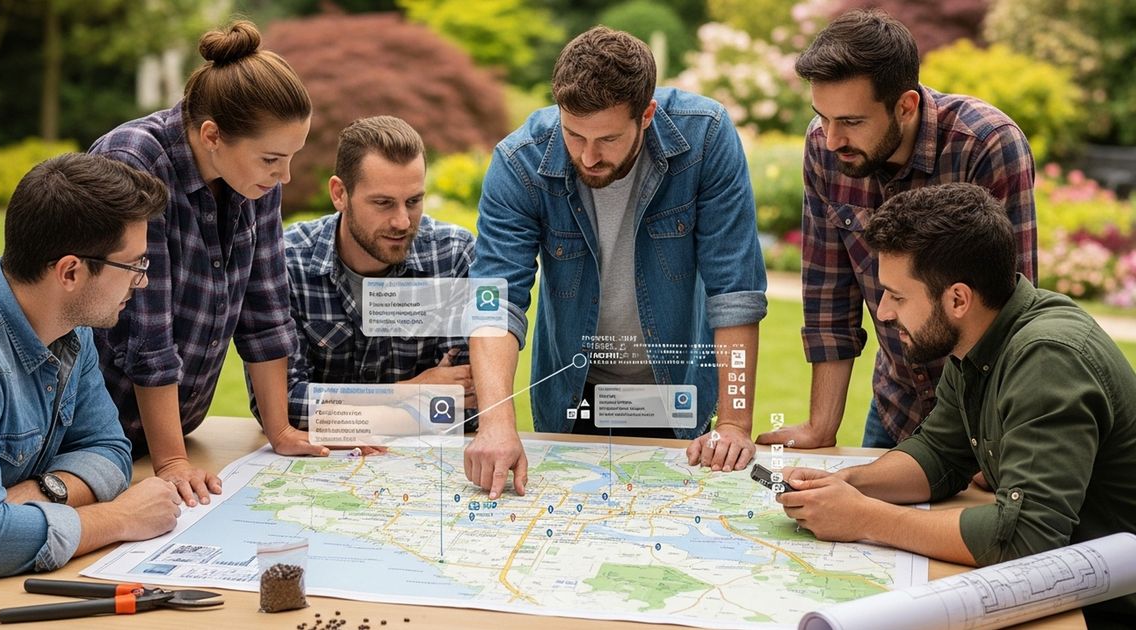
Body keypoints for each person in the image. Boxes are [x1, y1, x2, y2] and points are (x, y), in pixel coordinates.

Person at [777, 183, 1136, 627]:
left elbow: (1026, 539)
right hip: (1061, 595)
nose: (885, 312)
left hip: (1105, 608)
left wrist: (865, 519)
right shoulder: (982, 338)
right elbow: (939, 454)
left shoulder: (1047, 358)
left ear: (958, 299)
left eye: (899, 295)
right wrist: (846, 485)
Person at [466, 26, 768, 500]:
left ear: (646, 114)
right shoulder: (519, 162)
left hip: (676, 392)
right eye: (573, 133)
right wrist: (496, 423)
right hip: (573, 394)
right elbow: (495, 302)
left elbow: (734, 293)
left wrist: (734, 421)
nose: (588, 155)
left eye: (607, 138)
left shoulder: (705, 137)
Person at [756, 9, 1037, 451]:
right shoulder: (824, 148)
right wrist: (821, 426)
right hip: (898, 406)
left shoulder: (986, 145)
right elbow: (829, 295)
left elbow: (1012, 309)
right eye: (822, 117)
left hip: (984, 419)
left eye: (850, 122)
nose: (830, 139)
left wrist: (998, 440)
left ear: (905, 106)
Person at [90, 20, 321, 508]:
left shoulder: (252, 181)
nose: (285, 175)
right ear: (213, 134)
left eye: (291, 158)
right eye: (272, 159)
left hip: (176, 433)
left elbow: (267, 309)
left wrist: (280, 430)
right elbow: (145, 332)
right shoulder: (135, 161)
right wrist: (171, 461)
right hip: (94, 436)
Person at [0, 153, 184, 583]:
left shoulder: (68, 326)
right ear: (70, 271)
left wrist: (43, 493)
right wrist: (120, 517)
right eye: (133, 266)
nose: (141, 282)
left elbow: (109, 449)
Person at [267, 115, 476, 431]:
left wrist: (339, 410)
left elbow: (468, 402)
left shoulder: (453, 255)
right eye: (383, 203)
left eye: (414, 201)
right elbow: (281, 405)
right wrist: (411, 390)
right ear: (340, 194)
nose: (403, 221)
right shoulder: (288, 262)